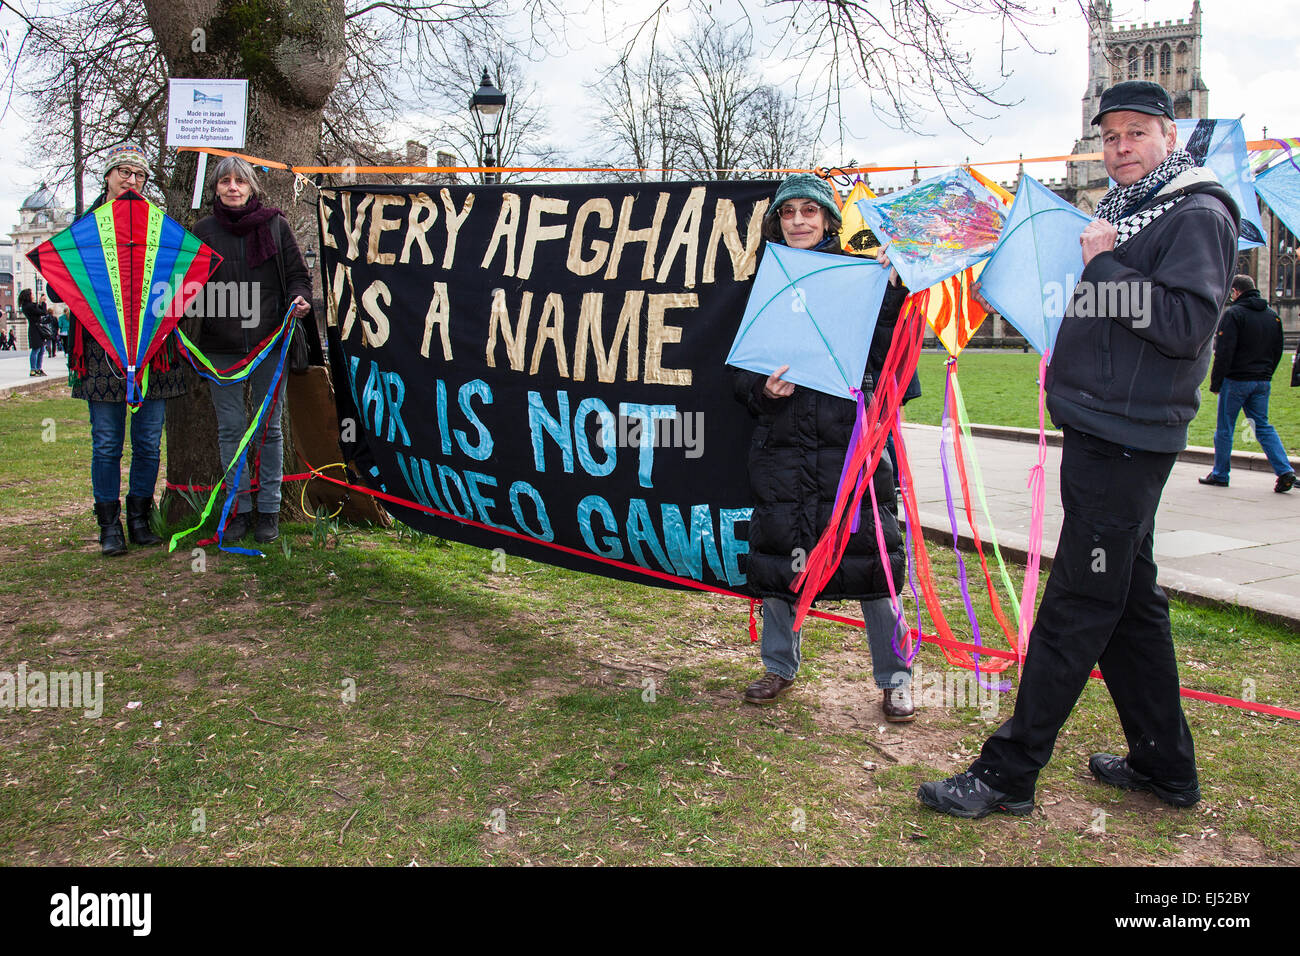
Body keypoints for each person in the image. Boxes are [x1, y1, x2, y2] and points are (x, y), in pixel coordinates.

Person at [919, 80, 1240, 818]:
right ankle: (1167, 767)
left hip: (1128, 439)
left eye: (1135, 133)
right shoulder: (1124, 212)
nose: (1120, 147)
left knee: (1078, 601)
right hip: (1103, 427)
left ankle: (1007, 774)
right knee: (1129, 602)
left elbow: (1187, 324)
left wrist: (1103, 267)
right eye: (1111, 135)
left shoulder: (1197, 211)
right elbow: (1107, 314)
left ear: (1169, 135)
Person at [734, 172, 916, 722]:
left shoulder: (861, 278)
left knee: (873, 561)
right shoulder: (762, 284)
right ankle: (778, 666)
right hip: (783, 446)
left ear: (828, 221)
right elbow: (738, 371)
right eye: (787, 213)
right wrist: (762, 390)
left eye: (808, 213)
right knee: (779, 557)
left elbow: (891, 364)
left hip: (850, 444)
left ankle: (897, 677)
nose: (798, 222)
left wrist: (889, 294)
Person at [67, 144, 186, 556]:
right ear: (107, 177)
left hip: (154, 353)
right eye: (124, 171)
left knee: (150, 440)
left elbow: (184, 279)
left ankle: (139, 517)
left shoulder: (160, 226)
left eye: (139, 174)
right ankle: (108, 525)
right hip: (102, 354)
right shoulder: (84, 227)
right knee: (106, 441)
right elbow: (57, 282)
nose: (131, 180)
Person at [192, 155, 311, 545]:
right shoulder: (203, 232)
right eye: (224, 181)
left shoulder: (275, 227)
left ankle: (269, 511)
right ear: (216, 189)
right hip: (219, 347)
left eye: (239, 181)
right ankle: (239, 510)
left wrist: (299, 299)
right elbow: (186, 286)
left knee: (269, 429)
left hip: (267, 343)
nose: (232, 187)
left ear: (251, 187)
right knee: (230, 429)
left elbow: (298, 276)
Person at [1198, 275, 1295, 493]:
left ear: (1236, 292)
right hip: (1262, 381)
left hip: (1236, 381)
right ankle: (1284, 470)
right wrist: (1267, 373)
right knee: (1262, 426)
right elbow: (1277, 350)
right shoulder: (1273, 316)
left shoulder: (1233, 314)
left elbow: (1224, 351)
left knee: (1225, 428)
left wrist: (1216, 382)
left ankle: (1221, 474)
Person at [21, 289, 46, 377]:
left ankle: (38, 368)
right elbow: (43, 312)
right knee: (36, 349)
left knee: (42, 349)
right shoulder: (28, 307)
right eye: (31, 294)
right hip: (34, 329)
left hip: (37, 328)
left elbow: (40, 310)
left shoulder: (28, 306)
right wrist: (42, 303)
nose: (33, 296)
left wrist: (40, 303)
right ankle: (33, 369)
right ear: (28, 296)